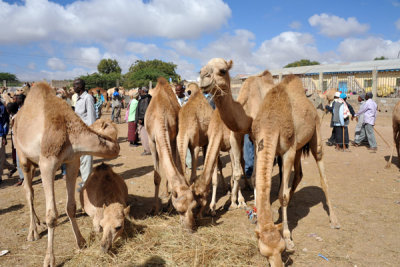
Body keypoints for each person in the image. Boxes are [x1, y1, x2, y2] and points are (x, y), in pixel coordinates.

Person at [73, 78, 95, 190]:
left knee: (86, 159)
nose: (73, 87)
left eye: (75, 85)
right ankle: (85, 181)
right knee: (81, 159)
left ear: (80, 86)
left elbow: (91, 118)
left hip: (86, 133)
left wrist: (90, 134)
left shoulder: (88, 98)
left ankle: (87, 183)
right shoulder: (78, 99)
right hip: (78, 134)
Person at [135, 87, 152, 156]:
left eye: (140, 90)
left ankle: (147, 150)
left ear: (143, 91)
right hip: (147, 120)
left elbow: (144, 110)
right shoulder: (146, 98)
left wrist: (141, 119)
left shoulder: (145, 99)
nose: (139, 91)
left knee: (144, 136)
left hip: (143, 121)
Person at [0, 99, 9, 184]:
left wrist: (4, 136)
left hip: (0, 135)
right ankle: (12, 167)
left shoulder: (2, 108)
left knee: (1, 157)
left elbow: (5, 122)